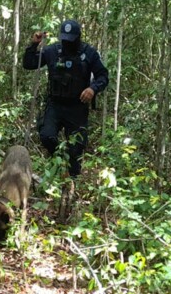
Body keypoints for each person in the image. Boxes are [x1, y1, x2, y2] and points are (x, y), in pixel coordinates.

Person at [23, 19, 108, 178]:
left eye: (70, 39)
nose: (67, 43)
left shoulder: (89, 53)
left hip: (77, 107)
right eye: (64, 39)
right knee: (47, 136)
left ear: (78, 37)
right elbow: (29, 64)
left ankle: (72, 181)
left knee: (76, 149)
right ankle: (60, 163)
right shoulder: (52, 51)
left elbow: (103, 76)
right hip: (55, 104)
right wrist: (33, 45)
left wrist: (93, 88)